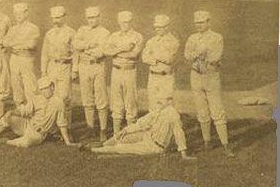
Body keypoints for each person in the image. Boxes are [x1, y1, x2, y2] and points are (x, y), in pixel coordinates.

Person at [184, 11, 234, 157]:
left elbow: (215, 57)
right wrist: (200, 54)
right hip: (196, 76)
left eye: (202, 22)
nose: (199, 25)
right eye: (197, 23)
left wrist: (198, 55)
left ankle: (225, 145)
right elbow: (187, 55)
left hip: (211, 75)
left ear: (208, 22)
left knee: (217, 109)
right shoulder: (192, 37)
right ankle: (207, 142)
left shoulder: (216, 37)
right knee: (201, 110)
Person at [88, 97, 195, 160]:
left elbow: (179, 135)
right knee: (122, 136)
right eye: (159, 100)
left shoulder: (173, 116)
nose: (159, 102)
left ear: (169, 101)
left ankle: (93, 150)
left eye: (162, 100)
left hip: (155, 146)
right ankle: (101, 144)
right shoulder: (158, 111)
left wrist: (184, 154)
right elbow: (141, 124)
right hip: (147, 136)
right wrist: (125, 130)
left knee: (122, 147)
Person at [0, 77, 77, 148]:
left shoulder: (58, 103)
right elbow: (24, 111)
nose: (44, 91)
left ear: (52, 87)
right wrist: (11, 112)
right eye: (42, 89)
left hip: (39, 134)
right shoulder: (37, 99)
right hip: (28, 125)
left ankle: (6, 141)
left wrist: (67, 142)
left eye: (46, 88)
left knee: (26, 143)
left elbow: (62, 124)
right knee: (8, 117)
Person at [73, 6, 111, 140]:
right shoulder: (82, 30)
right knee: (87, 98)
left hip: (97, 66)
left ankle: (103, 130)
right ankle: (90, 128)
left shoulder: (105, 32)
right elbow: (75, 45)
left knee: (101, 98)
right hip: (84, 66)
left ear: (99, 17)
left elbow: (101, 51)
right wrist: (90, 45)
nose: (91, 20)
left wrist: (86, 47)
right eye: (89, 17)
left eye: (94, 17)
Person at [104, 11, 143, 135]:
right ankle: (116, 134)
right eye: (122, 22)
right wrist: (122, 48)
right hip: (116, 70)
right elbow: (106, 51)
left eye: (127, 22)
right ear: (119, 22)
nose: (124, 24)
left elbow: (134, 54)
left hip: (129, 71)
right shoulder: (114, 35)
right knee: (116, 102)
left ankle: (131, 134)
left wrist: (116, 51)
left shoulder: (137, 36)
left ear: (131, 22)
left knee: (130, 102)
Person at [40, 6, 76, 121]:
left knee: (65, 97)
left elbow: (76, 53)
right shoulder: (49, 33)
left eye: (59, 17)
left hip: (65, 66)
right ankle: (53, 126)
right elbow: (45, 53)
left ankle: (66, 126)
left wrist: (75, 70)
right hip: (52, 66)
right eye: (54, 18)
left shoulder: (71, 33)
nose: (56, 20)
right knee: (51, 97)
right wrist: (43, 70)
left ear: (64, 17)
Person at [3, 3, 40, 106]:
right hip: (14, 58)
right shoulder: (13, 29)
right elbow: (5, 42)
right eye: (15, 13)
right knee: (16, 86)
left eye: (20, 13)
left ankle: (33, 112)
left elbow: (31, 45)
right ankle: (20, 112)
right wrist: (20, 43)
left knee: (30, 87)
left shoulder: (33, 28)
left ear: (26, 13)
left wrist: (14, 44)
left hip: (26, 59)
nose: (17, 16)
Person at [141, 15, 180, 113]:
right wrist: (156, 59)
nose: (157, 29)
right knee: (152, 106)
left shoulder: (173, 41)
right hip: (153, 76)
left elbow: (168, 59)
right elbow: (144, 57)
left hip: (165, 77)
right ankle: (155, 128)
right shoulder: (152, 40)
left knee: (165, 106)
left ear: (167, 27)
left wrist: (154, 55)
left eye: (160, 27)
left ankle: (165, 128)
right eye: (156, 27)